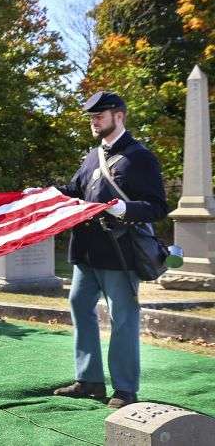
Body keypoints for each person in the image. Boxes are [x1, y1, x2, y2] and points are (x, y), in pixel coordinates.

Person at [32, 91, 167, 410]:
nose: (94, 121)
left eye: (100, 115)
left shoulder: (140, 157)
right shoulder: (92, 157)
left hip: (119, 255)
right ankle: (90, 380)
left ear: (119, 116)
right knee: (79, 304)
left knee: (123, 319)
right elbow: (74, 192)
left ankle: (124, 389)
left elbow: (158, 207)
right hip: (86, 253)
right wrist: (45, 194)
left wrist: (126, 209)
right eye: (92, 116)